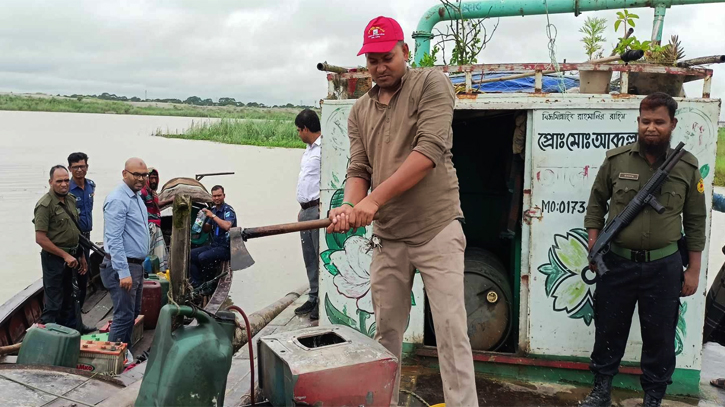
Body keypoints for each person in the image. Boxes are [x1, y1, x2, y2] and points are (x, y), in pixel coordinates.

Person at [326, 16, 478, 406]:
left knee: (450, 330)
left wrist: (372, 202)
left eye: (387, 57)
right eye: (372, 60)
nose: (380, 67)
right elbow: (359, 169)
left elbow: (428, 152)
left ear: (405, 52)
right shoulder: (359, 111)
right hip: (389, 236)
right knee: (386, 333)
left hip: (436, 228)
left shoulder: (431, 84)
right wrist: (348, 204)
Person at [582, 93, 706, 407]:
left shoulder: (688, 167)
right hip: (617, 262)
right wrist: (594, 242)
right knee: (609, 328)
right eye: (645, 121)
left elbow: (695, 221)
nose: (651, 128)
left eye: (659, 122)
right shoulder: (616, 160)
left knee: (660, 336)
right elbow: (596, 203)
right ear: (638, 122)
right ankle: (601, 390)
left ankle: (653, 397)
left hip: (664, 266)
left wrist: (692, 269)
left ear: (672, 124)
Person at [101, 158, 150, 347]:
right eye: (136, 174)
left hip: (135, 265)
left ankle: (125, 352)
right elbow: (114, 239)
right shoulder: (117, 199)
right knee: (123, 315)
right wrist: (123, 272)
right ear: (124, 174)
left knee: (133, 313)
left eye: (144, 174)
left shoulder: (137, 197)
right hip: (123, 266)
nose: (141, 178)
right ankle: (113, 360)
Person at [33, 165, 88, 330]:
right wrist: (64, 256)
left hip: (73, 256)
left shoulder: (70, 199)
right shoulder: (44, 205)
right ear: (50, 182)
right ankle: (46, 337)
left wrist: (82, 255)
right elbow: (40, 238)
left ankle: (73, 330)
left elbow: (75, 231)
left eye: (66, 180)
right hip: (54, 259)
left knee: (71, 297)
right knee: (54, 302)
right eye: (59, 181)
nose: (64, 184)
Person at [293, 109, 322, 320]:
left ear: (305, 128)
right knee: (309, 257)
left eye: (298, 130)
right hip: (306, 211)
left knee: (319, 255)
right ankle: (312, 296)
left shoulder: (325, 149)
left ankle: (321, 300)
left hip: (318, 210)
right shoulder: (308, 150)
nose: (298, 134)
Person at [67, 152, 96, 333]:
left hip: (87, 236)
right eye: (76, 167)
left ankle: (77, 321)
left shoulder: (91, 186)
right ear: (70, 169)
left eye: (82, 166)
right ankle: (72, 323)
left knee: (84, 279)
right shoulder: (67, 190)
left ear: (87, 167)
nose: (80, 170)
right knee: (73, 282)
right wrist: (79, 253)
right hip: (73, 239)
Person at [189, 185, 237, 287]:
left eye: (219, 195)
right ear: (212, 197)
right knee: (190, 255)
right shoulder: (213, 210)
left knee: (203, 257)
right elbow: (206, 229)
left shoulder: (228, 210)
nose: (216, 198)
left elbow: (227, 226)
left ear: (224, 196)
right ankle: (198, 283)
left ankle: (210, 283)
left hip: (226, 247)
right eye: (214, 196)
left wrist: (213, 216)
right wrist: (201, 220)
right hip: (214, 245)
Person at [139, 168, 171, 271]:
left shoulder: (152, 193)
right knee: (149, 253)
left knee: (157, 254)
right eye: (151, 178)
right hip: (149, 227)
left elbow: (157, 205)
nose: (154, 181)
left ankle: (157, 274)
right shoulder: (142, 192)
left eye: (155, 178)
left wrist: (171, 200)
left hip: (156, 225)